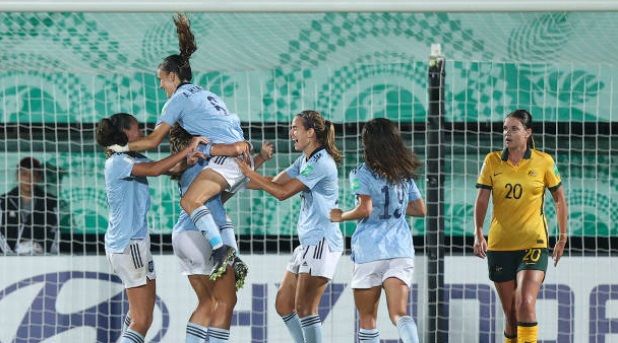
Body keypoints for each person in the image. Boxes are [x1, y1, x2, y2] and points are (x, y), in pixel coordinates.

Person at [107, 14, 250, 279]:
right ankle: (230, 253)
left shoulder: (178, 100)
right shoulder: (207, 94)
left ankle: (220, 250)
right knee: (212, 204)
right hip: (242, 160)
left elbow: (152, 141)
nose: (161, 85)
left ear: (173, 76)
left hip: (229, 159)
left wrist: (120, 147)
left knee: (189, 200)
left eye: (161, 79)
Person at [96, 112, 206, 343]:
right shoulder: (117, 162)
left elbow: (168, 169)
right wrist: (187, 149)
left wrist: (188, 161)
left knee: (137, 315)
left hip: (132, 243)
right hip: (128, 245)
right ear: (126, 132)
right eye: (137, 129)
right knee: (143, 320)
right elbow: (155, 169)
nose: (142, 134)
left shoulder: (132, 158)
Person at [237, 110, 343, 343]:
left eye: (296, 128)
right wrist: (239, 181)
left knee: (305, 308)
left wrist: (247, 172)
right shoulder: (305, 159)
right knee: (284, 305)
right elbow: (274, 183)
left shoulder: (321, 162)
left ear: (311, 132)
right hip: (308, 243)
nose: (291, 132)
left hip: (322, 242)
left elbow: (282, 193)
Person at [169, 124, 274, 343]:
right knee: (226, 302)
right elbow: (246, 179)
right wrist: (277, 181)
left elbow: (226, 191)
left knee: (207, 303)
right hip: (204, 235)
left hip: (183, 236)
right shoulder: (206, 160)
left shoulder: (190, 166)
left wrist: (260, 159)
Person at [473, 109, 568, 343]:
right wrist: (478, 232)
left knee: (525, 302)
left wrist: (562, 236)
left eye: (514, 128)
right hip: (500, 245)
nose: (508, 133)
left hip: (533, 243)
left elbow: (559, 199)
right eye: (505, 128)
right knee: (512, 314)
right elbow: (482, 199)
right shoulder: (492, 161)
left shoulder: (544, 161)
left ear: (528, 133)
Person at [329, 118, 425, 343]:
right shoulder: (404, 173)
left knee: (367, 320)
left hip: (369, 251)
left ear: (367, 143)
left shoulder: (360, 173)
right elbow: (420, 209)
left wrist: (340, 216)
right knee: (399, 314)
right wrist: (395, 208)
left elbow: (364, 209)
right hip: (400, 251)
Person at [0, 157, 59, 255]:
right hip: (7, 262)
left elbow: (55, 233)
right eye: (24, 174)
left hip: (41, 261)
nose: (28, 179)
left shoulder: (51, 203)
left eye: (33, 175)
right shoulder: (3, 202)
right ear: (17, 176)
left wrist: (41, 250)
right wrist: (11, 254)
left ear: (39, 177)